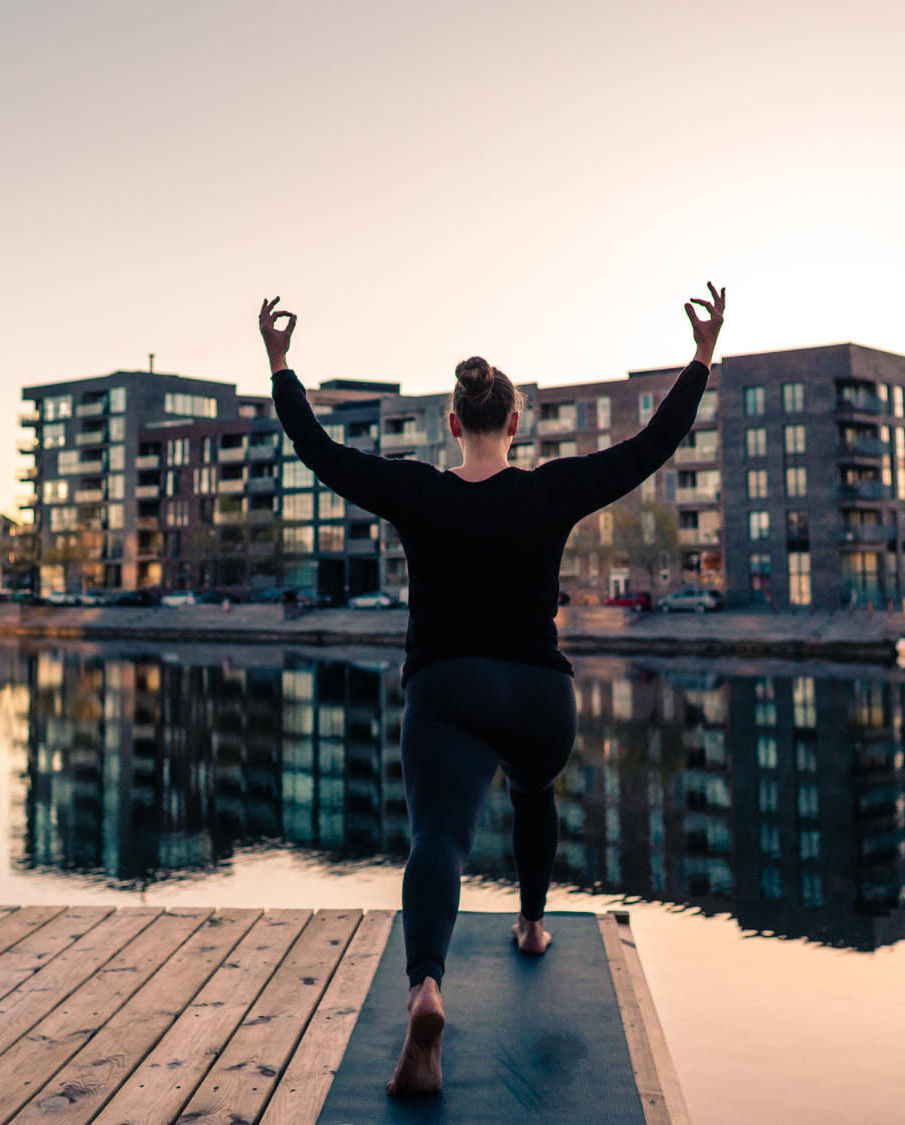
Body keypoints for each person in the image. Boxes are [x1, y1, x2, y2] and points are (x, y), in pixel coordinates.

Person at [259, 283, 725, 1097]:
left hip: (446, 690)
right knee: (535, 788)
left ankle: (427, 988)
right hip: (543, 698)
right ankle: (534, 923)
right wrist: (700, 357)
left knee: (439, 833)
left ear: (452, 422)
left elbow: (320, 453)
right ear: (515, 423)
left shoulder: (417, 489)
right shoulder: (549, 489)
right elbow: (651, 445)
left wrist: (281, 366)